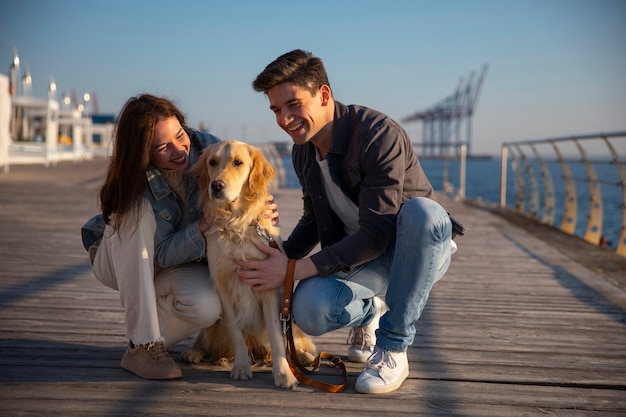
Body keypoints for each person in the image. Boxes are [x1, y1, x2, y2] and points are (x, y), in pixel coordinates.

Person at [238, 49, 456, 394]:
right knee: (308, 309)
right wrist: (270, 255)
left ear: (324, 95)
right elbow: (313, 219)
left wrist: (293, 270)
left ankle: (393, 346)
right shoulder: (303, 150)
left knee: (423, 212)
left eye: (293, 104)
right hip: (356, 254)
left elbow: (378, 232)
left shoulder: (378, 134)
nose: (284, 118)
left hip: (412, 247)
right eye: (277, 110)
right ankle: (370, 312)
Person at [81, 94, 231, 380]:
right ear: (143, 153)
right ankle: (144, 345)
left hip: (176, 262)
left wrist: (261, 208)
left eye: (179, 135)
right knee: (134, 210)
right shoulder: (136, 179)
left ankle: (143, 342)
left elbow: (240, 181)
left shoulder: (209, 148)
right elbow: (159, 253)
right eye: (163, 147)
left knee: (207, 306)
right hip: (120, 258)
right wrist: (200, 227)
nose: (179, 151)